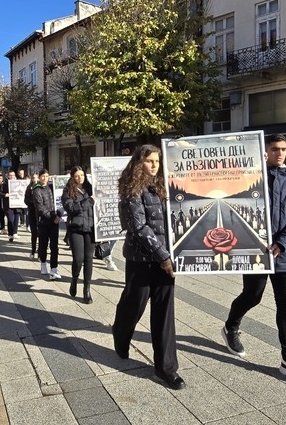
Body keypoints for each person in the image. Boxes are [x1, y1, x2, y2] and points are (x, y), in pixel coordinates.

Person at [222, 133, 286, 387]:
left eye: (283, 149)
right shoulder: (251, 180)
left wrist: (282, 243)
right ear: (264, 152)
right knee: (252, 296)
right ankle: (230, 327)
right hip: (256, 253)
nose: (280, 153)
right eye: (275, 149)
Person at [111, 144, 185, 390]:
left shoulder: (163, 186)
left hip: (165, 260)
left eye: (157, 161)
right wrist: (163, 255)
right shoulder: (132, 189)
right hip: (141, 261)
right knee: (133, 306)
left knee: (164, 314)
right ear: (139, 162)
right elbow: (139, 227)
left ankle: (166, 369)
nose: (154, 165)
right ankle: (120, 334)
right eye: (149, 161)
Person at [62, 166, 95, 303]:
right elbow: (71, 208)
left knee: (89, 259)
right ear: (72, 177)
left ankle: (87, 289)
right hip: (76, 228)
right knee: (78, 259)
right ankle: (74, 278)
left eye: (82, 175)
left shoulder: (91, 189)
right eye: (77, 175)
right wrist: (89, 201)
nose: (80, 177)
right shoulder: (68, 191)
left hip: (91, 229)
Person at [33, 169, 63, 280]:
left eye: (46, 176)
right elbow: (40, 209)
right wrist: (53, 217)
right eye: (43, 176)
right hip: (43, 222)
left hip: (54, 222)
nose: (44, 178)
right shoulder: (36, 190)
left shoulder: (52, 187)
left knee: (54, 246)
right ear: (39, 177)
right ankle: (43, 263)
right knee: (43, 245)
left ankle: (54, 268)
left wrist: (58, 216)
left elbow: (60, 199)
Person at [1, 171, 21, 242]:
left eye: (13, 175)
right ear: (8, 176)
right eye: (10, 175)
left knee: (16, 220)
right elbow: (0, 193)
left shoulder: (19, 183)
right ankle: (10, 234)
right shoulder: (5, 184)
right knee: (10, 220)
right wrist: (5, 195)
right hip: (9, 205)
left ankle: (15, 232)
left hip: (17, 205)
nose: (12, 177)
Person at [24, 173, 40, 259]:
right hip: (32, 211)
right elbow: (25, 200)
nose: (35, 179)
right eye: (33, 178)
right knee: (34, 232)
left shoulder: (41, 186)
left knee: (41, 232)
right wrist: (31, 202)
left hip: (40, 213)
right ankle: (33, 250)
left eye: (36, 178)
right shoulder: (29, 188)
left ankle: (40, 251)